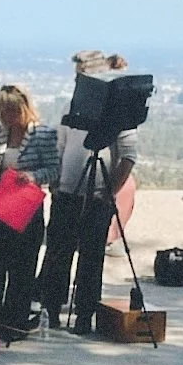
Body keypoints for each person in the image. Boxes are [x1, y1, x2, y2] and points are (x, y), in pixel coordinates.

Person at [38, 52, 135, 331]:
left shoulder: (118, 112)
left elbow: (128, 156)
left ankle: (84, 313)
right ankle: (52, 307)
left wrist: (110, 191)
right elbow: (61, 145)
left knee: (91, 257)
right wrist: (56, 181)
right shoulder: (73, 106)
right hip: (67, 192)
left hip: (97, 195)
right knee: (58, 253)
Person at [0, 84, 59, 341]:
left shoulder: (43, 135)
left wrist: (33, 177)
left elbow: (54, 169)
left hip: (25, 210)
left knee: (22, 268)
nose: (5, 118)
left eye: (9, 112)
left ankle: (14, 322)